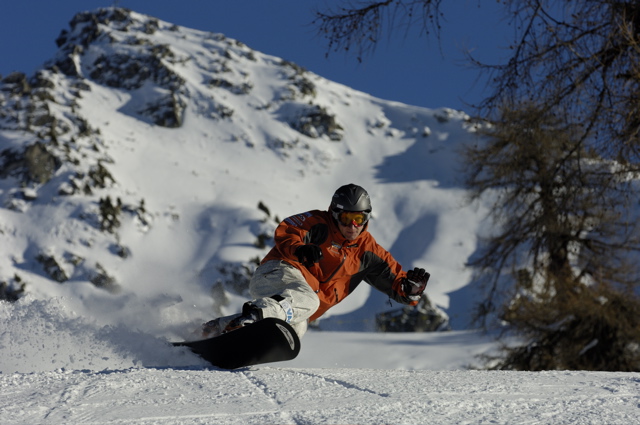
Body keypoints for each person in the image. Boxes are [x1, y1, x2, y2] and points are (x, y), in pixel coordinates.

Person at [202, 183, 430, 338]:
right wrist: (300, 249)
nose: (352, 225)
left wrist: (411, 290)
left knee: (294, 330)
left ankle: (215, 330)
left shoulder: (367, 252)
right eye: (346, 218)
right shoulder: (319, 223)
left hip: (294, 301)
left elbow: (396, 282)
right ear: (335, 214)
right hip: (278, 272)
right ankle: (254, 315)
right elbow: (289, 229)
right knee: (308, 301)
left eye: (359, 218)